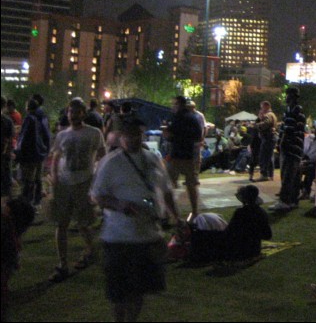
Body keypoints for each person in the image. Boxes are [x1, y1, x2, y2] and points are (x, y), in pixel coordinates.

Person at [91, 116, 183, 322]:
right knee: (119, 293)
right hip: (119, 237)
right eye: (128, 135)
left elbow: (166, 190)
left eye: (136, 134)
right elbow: (97, 195)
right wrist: (120, 205)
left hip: (148, 235)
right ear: (120, 137)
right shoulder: (111, 163)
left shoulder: (153, 159)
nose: (132, 139)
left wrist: (176, 216)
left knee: (140, 291)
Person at [48, 97, 106, 282]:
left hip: (84, 182)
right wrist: (54, 176)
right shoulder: (62, 135)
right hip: (64, 183)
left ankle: (89, 250)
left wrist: (98, 179)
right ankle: (62, 263)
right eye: (71, 112)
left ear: (84, 113)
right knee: (61, 224)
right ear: (68, 113)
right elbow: (56, 157)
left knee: (84, 223)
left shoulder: (94, 133)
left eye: (78, 112)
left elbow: (102, 156)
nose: (74, 115)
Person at [164, 95, 204, 220]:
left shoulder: (176, 118)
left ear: (179, 104)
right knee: (191, 185)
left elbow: (170, 136)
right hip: (189, 155)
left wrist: (168, 134)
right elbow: (198, 136)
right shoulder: (193, 118)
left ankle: (168, 213)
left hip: (176, 155)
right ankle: (195, 211)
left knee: (168, 185)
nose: (173, 107)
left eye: (174, 104)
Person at [15, 98, 51, 206]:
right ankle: (36, 201)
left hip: (30, 154)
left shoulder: (29, 119)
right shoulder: (43, 117)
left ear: (28, 108)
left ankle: (26, 203)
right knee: (38, 179)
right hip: (40, 153)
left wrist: (18, 153)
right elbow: (47, 136)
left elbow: (24, 138)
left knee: (27, 180)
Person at [274, 87, 305, 211]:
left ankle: (285, 200)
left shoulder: (294, 110)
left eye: (287, 95)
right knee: (294, 175)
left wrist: (281, 143)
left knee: (287, 175)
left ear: (292, 97)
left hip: (291, 146)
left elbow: (288, 129)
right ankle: (293, 200)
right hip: (295, 147)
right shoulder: (292, 110)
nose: (286, 98)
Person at [226, 184, 272, 260]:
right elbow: (267, 235)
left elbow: (229, 232)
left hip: (239, 251)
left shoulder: (240, 212)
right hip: (255, 249)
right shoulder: (262, 212)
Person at [299, 122, 316, 200]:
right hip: (307, 160)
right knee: (297, 168)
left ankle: (306, 191)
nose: (315, 131)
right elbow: (306, 151)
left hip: (315, 163)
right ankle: (298, 188)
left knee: (310, 169)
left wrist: (307, 161)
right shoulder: (311, 139)